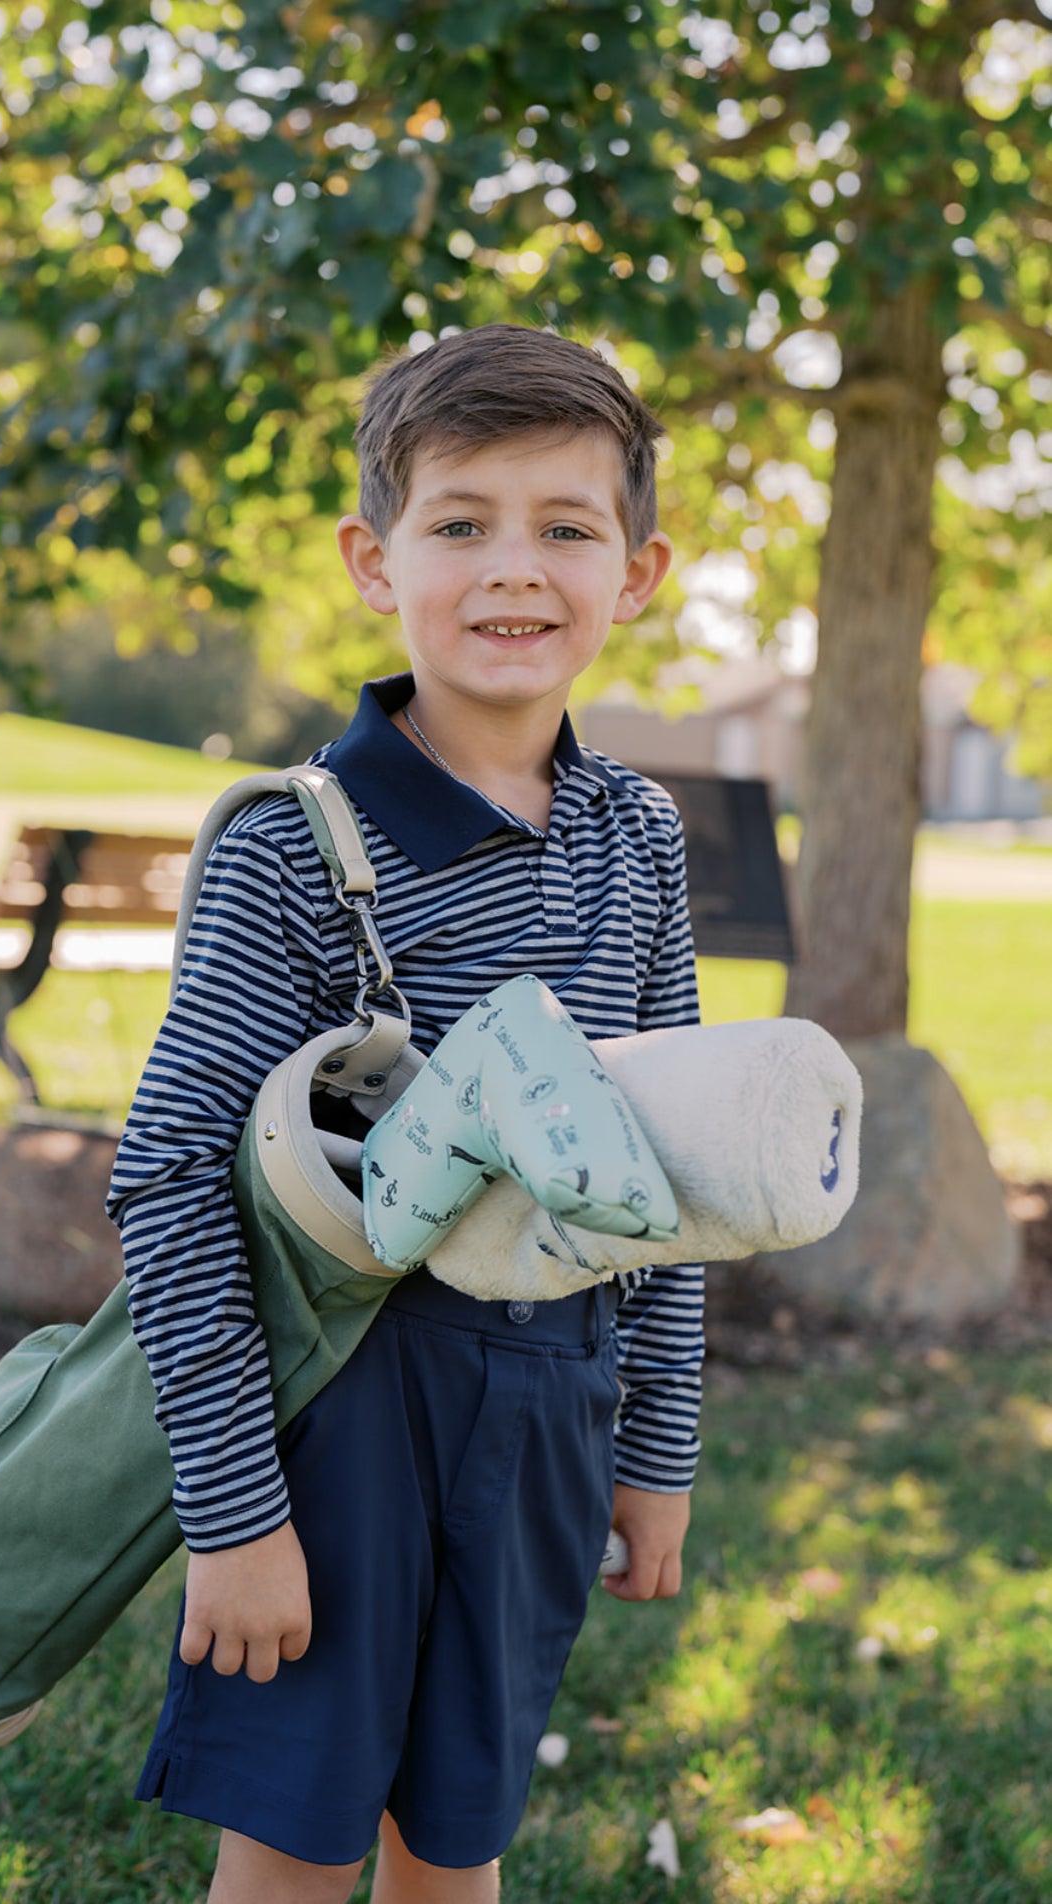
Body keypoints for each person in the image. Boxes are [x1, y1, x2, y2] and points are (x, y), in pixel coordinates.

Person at [107, 322, 704, 1903]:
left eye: (565, 527)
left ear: (636, 572)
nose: (515, 569)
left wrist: (658, 1449)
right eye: (461, 524)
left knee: (455, 1844)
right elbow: (166, 1174)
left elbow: (676, 1172)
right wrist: (234, 1518)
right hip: (340, 1424)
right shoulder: (290, 847)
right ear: (376, 562)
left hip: (552, 1414)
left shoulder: (638, 839)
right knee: (297, 1853)